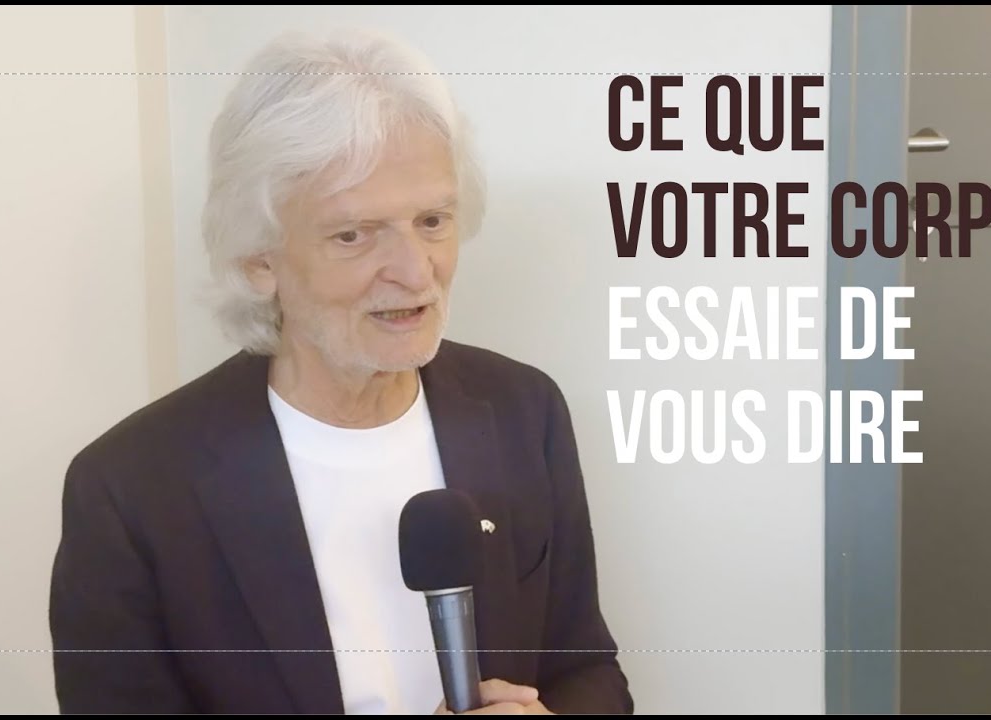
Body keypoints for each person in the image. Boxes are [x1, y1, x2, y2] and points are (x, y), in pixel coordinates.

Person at [47, 28, 632, 715]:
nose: (415, 271)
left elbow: (588, 670)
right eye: (354, 234)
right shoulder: (130, 491)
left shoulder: (523, 412)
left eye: (432, 220)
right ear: (258, 261)